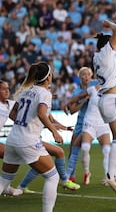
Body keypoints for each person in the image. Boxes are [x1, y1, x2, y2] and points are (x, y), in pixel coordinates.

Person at [0, 62, 62, 212]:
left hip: (13, 140)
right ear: (48, 77)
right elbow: (41, 113)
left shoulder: (25, 91)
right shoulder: (45, 94)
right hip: (28, 142)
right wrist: (54, 131)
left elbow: (14, 113)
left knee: (4, 181)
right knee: (53, 177)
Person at [93, 20, 116, 194]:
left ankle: (114, 174)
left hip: (107, 98)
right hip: (112, 98)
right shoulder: (106, 53)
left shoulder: (99, 57)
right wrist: (109, 24)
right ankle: (110, 175)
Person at [66, 84, 111, 185]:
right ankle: (86, 172)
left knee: (107, 150)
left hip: (103, 123)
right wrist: (67, 104)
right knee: (85, 147)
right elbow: (79, 97)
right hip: (89, 122)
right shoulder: (93, 89)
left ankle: (109, 177)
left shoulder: (112, 91)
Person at [64, 67, 97, 182]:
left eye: (88, 74)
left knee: (82, 148)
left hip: (94, 122)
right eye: (84, 74)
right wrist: (83, 101)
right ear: (80, 77)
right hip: (80, 121)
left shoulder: (96, 85)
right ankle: (72, 175)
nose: (86, 76)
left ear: (91, 76)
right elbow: (72, 110)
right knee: (72, 149)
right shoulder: (77, 92)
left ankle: (82, 173)